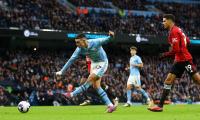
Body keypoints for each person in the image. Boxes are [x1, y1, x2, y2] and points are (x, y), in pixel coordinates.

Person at [148, 14, 200, 112]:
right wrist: (182, 48)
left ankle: (160, 105)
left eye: (164, 21)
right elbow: (187, 41)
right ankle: (160, 106)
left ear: (169, 21)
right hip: (179, 60)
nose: (162, 23)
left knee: (197, 80)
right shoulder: (178, 30)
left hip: (185, 61)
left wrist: (164, 55)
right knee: (168, 81)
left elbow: (175, 49)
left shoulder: (174, 32)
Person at [56, 31, 117, 113]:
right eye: (76, 42)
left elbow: (107, 39)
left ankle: (71, 94)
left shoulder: (95, 42)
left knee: (90, 79)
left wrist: (111, 36)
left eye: (78, 42)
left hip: (102, 62)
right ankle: (110, 105)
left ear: (84, 40)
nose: (76, 44)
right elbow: (71, 60)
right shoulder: (79, 49)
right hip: (94, 63)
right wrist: (62, 71)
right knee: (96, 87)